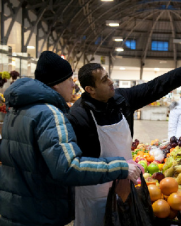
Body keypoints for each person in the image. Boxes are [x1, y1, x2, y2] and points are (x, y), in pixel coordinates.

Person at [0, 51, 141, 226]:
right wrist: (120, 167)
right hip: (41, 213)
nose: (73, 85)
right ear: (57, 83)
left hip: (16, 209)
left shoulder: (17, 109)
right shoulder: (50, 114)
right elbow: (68, 167)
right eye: (70, 79)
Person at [67, 57, 181, 226]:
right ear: (90, 89)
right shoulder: (78, 115)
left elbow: (154, 87)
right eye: (104, 80)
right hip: (94, 192)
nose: (111, 81)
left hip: (126, 185)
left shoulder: (121, 99)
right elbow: (76, 162)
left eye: (108, 76)